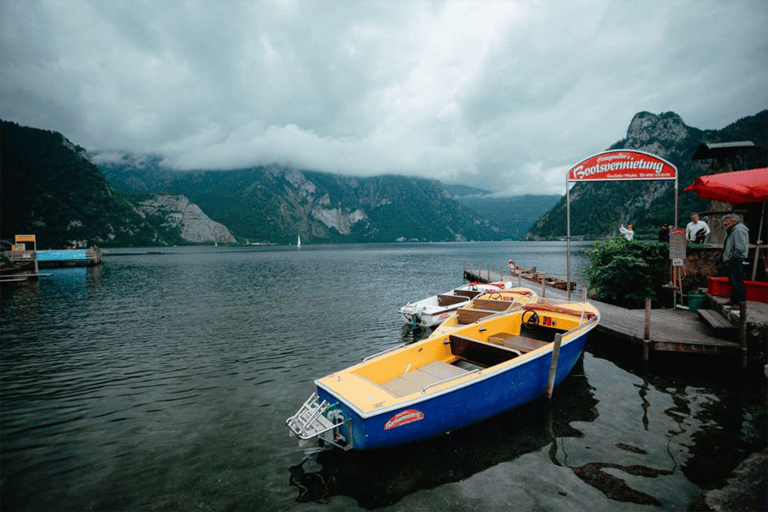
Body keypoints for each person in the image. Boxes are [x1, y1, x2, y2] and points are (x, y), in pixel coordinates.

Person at [721, 213, 749, 306]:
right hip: (733, 259)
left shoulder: (738, 230)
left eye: (726, 221)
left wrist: (732, 257)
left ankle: (739, 303)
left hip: (736, 259)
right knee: (733, 281)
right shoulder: (733, 230)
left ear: (734, 221)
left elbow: (740, 248)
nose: (724, 223)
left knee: (737, 281)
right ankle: (734, 301)